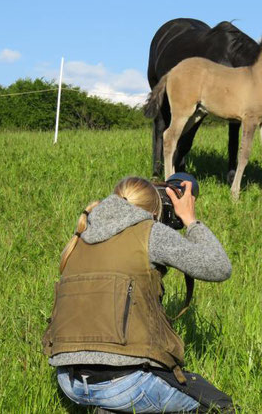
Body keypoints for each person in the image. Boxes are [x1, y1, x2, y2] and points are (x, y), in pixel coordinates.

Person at [42, 176, 233, 413]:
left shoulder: (79, 238)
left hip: (70, 382)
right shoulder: (149, 232)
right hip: (124, 385)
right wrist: (190, 219)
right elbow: (220, 267)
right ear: (154, 211)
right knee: (218, 405)